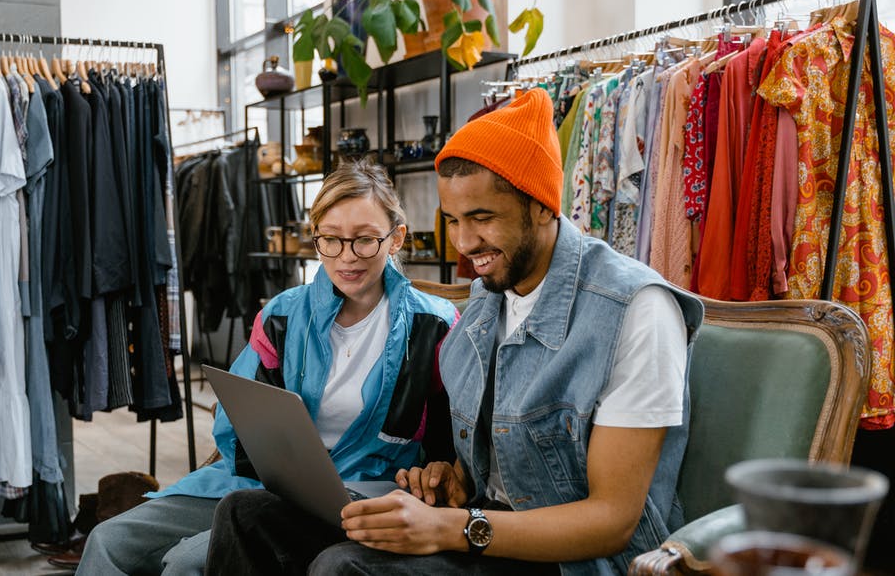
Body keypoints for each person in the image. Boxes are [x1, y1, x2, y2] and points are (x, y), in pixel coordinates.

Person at [205, 88, 705, 575]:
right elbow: (491, 463)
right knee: (245, 516)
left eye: (483, 218)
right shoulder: (489, 296)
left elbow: (612, 521)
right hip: (482, 527)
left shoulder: (636, 310)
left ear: (543, 205)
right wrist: (450, 481)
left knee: (344, 566)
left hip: (571, 560)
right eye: (452, 221)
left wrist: (450, 528)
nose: (465, 244)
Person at [76, 160, 459, 575]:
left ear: (396, 237)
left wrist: (436, 471)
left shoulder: (433, 326)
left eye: (365, 240)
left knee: (185, 563)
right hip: (257, 486)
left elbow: (450, 443)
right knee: (109, 541)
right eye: (330, 240)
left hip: (362, 499)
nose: (347, 257)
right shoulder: (283, 316)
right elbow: (239, 421)